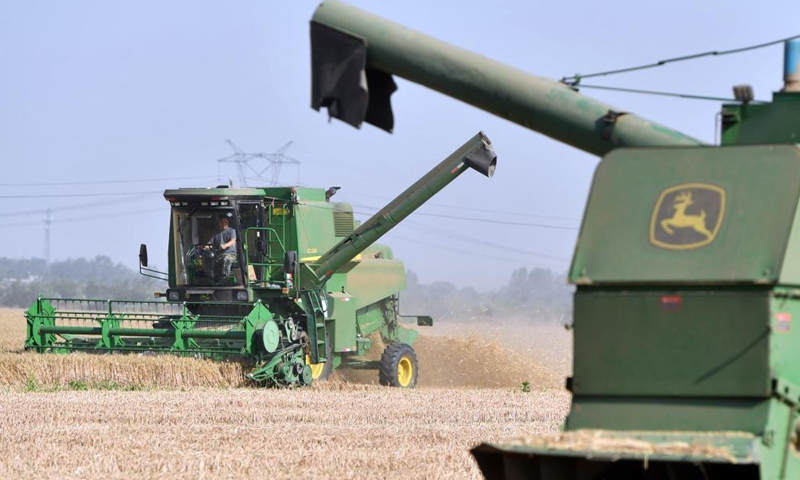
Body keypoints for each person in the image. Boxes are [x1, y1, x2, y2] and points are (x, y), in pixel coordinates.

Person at [207, 212, 237, 283]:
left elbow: (233, 241)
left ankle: (225, 280)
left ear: (228, 222)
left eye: (225, 222)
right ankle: (210, 280)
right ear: (219, 223)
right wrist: (205, 247)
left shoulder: (232, 231)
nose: (224, 224)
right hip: (218, 255)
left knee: (226, 260)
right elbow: (210, 244)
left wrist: (225, 245)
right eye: (222, 222)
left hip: (230, 255)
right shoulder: (216, 232)